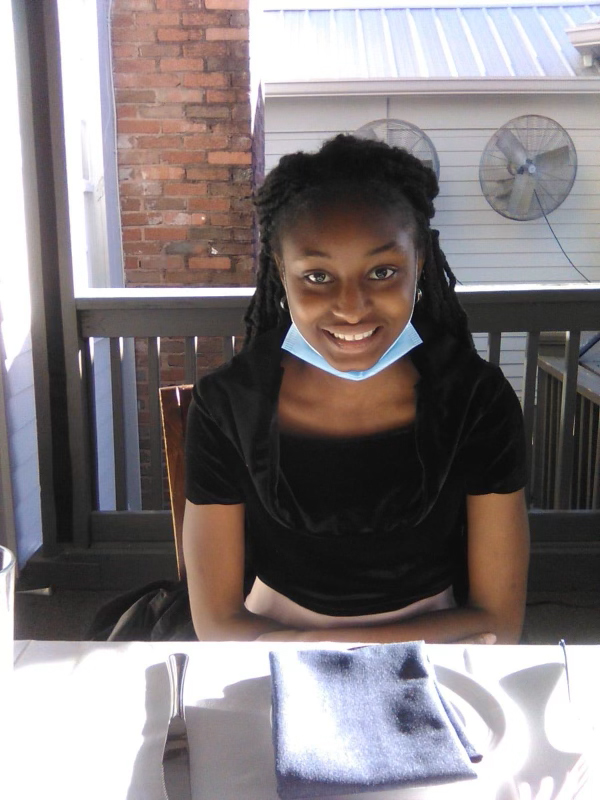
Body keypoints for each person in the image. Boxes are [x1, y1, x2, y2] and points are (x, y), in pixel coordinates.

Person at [182, 134, 530, 645]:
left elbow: (498, 619)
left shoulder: (477, 400)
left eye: (382, 272)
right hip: (268, 650)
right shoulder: (227, 406)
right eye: (317, 276)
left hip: (434, 654)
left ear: (420, 263)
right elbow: (217, 623)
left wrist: (345, 656)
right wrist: (339, 657)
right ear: (281, 270)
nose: (351, 307)